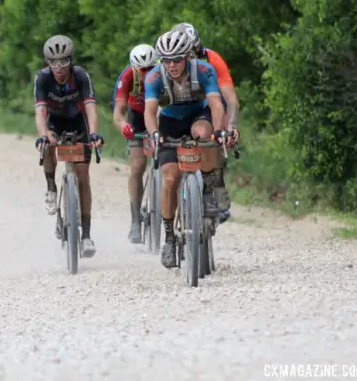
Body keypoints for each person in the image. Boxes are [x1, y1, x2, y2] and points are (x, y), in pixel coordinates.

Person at [143, 29, 230, 269]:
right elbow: (150, 112)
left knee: (206, 135)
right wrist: (154, 135)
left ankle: (210, 185)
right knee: (170, 178)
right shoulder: (153, 77)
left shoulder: (204, 70)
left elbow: (215, 104)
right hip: (170, 122)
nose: (171, 65)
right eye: (166, 59)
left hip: (197, 115)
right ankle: (170, 237)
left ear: (188, 56)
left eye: (177, 59)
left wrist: (220, 130)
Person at [34, 35, 105, 258]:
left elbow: (91, 107)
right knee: (47, 144)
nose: (59, 67)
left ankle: (86, 236)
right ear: (47, 63)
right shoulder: (43, 79)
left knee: (83, 177)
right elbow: (40, 112)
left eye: (63, 61)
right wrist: (44, 134)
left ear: (70, 60)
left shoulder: (81, 76)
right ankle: (51, 188)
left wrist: (93, 134)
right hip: (54, 121)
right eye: (53, 62)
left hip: (78, 122)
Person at [171, 22, 239, 223]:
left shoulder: (212, 59)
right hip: (177, 104)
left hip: (209, 101)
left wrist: (231, 127)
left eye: (195, 51)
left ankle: (215, 183)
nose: (190, 57)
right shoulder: (169, 62)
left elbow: (231, 99)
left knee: (215, 136)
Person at [112, 43, 158, 243]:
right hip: (137, 117)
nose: (147, 74)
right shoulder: (128, 77)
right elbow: (118, 113)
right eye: (142, 70)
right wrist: (124, 126)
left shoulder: (163, 74)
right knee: (138, 166)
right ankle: (135, 221)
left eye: (150, 69)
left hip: (160, 115)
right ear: (134, 68)